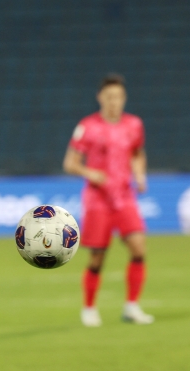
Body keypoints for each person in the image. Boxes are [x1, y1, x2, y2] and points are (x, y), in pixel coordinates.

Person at [63, 74, 154, 327]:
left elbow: (137, 153)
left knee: (138, 247)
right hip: (98, 199)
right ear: (100, 98)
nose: (114, 102)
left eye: (118, 97)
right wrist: (88, 172)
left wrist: (139, 174)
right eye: (109, 97)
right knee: (97, 258)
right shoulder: (87, 127)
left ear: (124, 99)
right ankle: (89, 308)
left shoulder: (134, 124)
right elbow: (70, 163)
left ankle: (131, 306)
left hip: (124, 196)